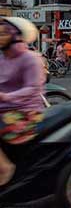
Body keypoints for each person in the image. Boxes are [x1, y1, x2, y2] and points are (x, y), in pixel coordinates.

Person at [0, 17, 45, 186]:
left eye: (4, 32)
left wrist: (5, 97)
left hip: (26, 113)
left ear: (18, 35)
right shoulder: (3, 58)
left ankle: (5, 168)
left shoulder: (31, 59)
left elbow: (33, 88)